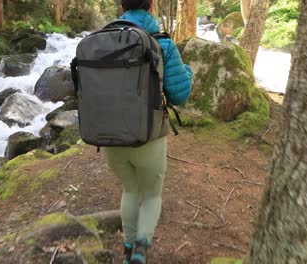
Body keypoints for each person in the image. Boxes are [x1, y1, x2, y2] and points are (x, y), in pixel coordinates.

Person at [103, 1, 193, 263]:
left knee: (129, 190)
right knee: (152, 194)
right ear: (152, 6)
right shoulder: (162, 43)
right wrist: (186, 72)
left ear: (121, 5)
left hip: (109, 134)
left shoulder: (104, 39)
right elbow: (180, 93)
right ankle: (142, 249)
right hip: (148, 136)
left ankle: (128, 248)